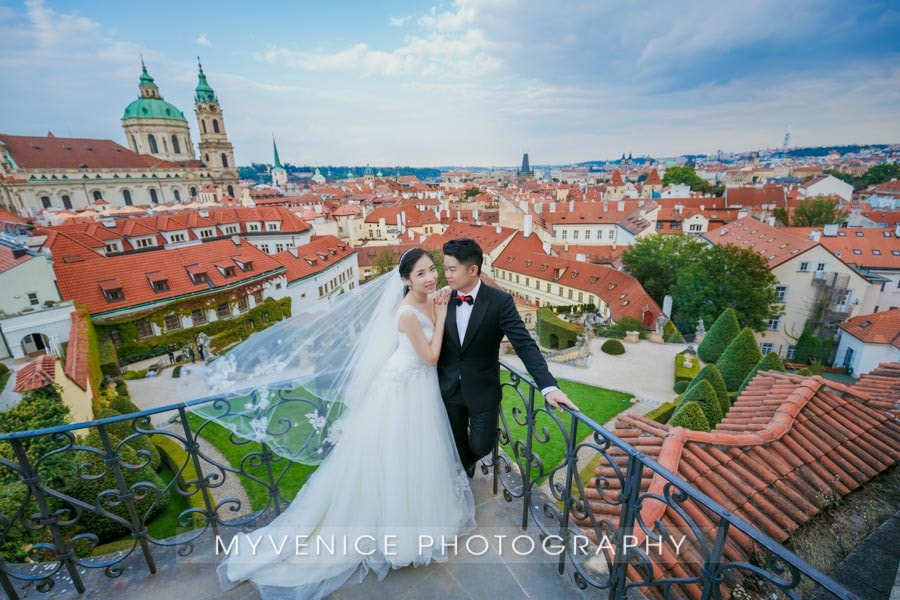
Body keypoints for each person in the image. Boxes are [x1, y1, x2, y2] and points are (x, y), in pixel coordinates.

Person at [200, 248, 476, 600]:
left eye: (431, 269)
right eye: (421, 273)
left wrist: (438, 306)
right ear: (405, 280)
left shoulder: (427, 298)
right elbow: (431, 356)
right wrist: (439, 314)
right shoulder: (407, 310)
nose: (430, 277)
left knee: (415, 456)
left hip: (417, 387)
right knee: (393, 457)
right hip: (402, 388)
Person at [439, 238, 579, 479]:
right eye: (445, 268)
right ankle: (463, 471)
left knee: (482, 446)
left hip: (483, 389)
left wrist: (548, 386)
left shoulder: (500, 302)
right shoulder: (444, 297)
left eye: (452, 269)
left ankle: (469, 459)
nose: (447, 275)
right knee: (454, 442)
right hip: (449, 387)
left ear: (473, 270)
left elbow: (524, 345)